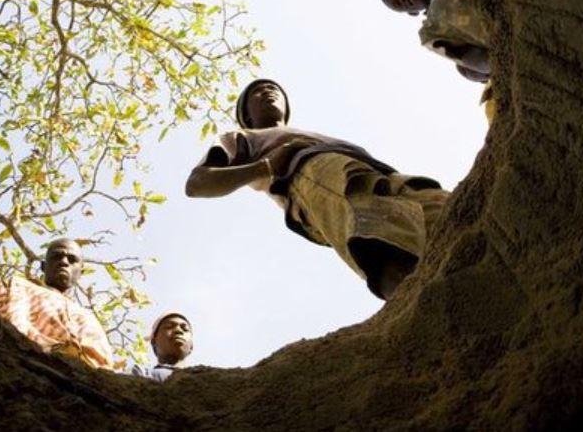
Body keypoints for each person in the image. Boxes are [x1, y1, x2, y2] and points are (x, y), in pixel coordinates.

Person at [185, 80, 450, 300]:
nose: (267, 90)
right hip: (312, 175)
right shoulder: (241, 138)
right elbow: (197, 183)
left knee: (444, 214)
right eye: (256, 91)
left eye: (273, 88)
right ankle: (422, 304)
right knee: (377, 232)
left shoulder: (310, 133)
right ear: (246, 115)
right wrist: (267, 167)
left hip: (381, 174)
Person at [0, 238, 116, 370]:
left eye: (72, 259)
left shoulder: (87, 317)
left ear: (80, 272)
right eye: (56, 256)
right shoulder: (15, 287)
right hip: (16, 360)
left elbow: (102, 366)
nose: (64, 262)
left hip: (73, 376)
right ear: (43, 266)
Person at [381, 0, 496, 121]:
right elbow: (466, 57)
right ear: (412, 13)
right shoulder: (431, 32)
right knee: (464, 70)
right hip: (495, 41)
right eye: (398, 3)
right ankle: (500, 62)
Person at [133, 313, 193, 382]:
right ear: (154, 341)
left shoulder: (201, 378)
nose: (178, 330)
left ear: (191, 346)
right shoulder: (141, 373)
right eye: (168, 327)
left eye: (185, 329)